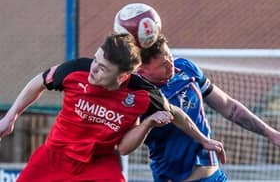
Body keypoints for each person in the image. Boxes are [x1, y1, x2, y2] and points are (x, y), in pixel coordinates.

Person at [0, 33, 225, 182]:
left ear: (123, 76)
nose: (93, 70)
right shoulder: (75, 70)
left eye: (102, 68)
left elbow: (177, 115)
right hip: (54, 156)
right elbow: (39, 81)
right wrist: (10, 118)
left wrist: (203, 140)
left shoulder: (142, 93)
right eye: (95, 61)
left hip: (98, 164)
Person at [117, 34, 280, 182]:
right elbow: (124, 147)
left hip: (213, 177)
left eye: (170, 57)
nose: (171, 65)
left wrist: (271, 134)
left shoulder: (186, 68)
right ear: (142, 70)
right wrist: (148, 123)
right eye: (163, 64)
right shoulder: (135, 95)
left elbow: (230, 107)